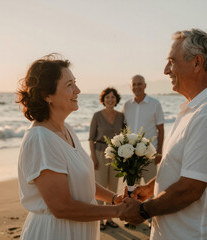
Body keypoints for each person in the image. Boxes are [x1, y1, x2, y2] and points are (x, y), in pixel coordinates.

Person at [121, 29, 207, 240]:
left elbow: (190, 189)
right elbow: (186, 167)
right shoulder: (194, 108)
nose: (166, 70)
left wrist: (142, 211)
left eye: (172, 61)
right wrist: (151, 188)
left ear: (197, 63)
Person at [16, 54, 126, 240]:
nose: (78, 90)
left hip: (79, 229)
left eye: (75, 83)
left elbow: (82, 180)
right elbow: (62, 207)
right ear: (46, 95)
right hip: (56, 232)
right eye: (69, 85)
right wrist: (119, 211)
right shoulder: (41, 140)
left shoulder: (67, 129)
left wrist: (115, 199)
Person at [89, 87, 125, 230]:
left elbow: (123, 137)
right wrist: (93, 157)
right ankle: (98, 220)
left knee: (113, 187)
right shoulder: (97, 116)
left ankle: (109, 218)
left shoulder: (121, 116)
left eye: (113, 97)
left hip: (116, 154)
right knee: (101, 186)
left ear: (116, 100)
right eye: (107, 97)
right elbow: (91, 138)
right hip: (99, 153)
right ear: (103, 100)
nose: (110, 100)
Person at [122, 75, 164, 184]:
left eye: (139, 84)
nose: (137, 87)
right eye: (134, 84)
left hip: (149, 154)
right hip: (131, 156)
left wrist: (159, 152)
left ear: (145, 85)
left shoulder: (155, 104)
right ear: (130, 87)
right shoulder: (126, 105)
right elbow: (123, 129)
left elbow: (161, 129)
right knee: (133, 189)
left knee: (150, 191)